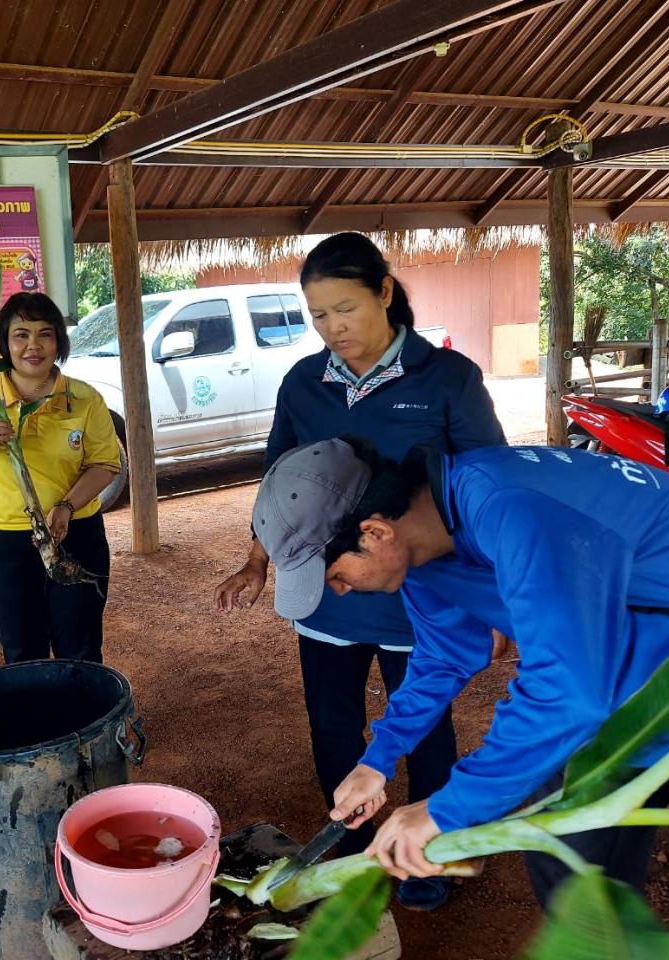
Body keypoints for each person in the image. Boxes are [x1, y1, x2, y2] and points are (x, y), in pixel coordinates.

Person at [257, 437, 669, 959]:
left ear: (375, 532)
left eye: (337, 575)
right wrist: (377, 761)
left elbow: (568, 691)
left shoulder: (512, 509)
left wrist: (446, 809)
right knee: (573, 876)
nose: (340, 590)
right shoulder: (425, 547)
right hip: (625, 704)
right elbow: (444, 656)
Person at [213, 231, 504, 910]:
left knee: (424, 724)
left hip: (416, 600)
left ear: (384, 293)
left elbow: (485, 490)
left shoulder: (447, 378)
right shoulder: (303, 383)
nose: (333, 328)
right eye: (318, 314)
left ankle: (427, 858)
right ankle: (352, 858)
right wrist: (257, 559)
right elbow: (279, 481)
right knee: (334, 727)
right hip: (328, 597)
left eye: (345, 308)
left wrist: (491, 599)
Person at [0, 292, 121, 663]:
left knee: (81, 648)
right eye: (21, 335)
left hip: (74, 534)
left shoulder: (84, 398)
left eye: (45, 334)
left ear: (59, 342)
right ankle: (35, 704)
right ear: (5, 342)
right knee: (22, 651)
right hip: (1, 544)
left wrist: (66, 506)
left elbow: (105, 464)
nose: (33, 345)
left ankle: (83, 703)